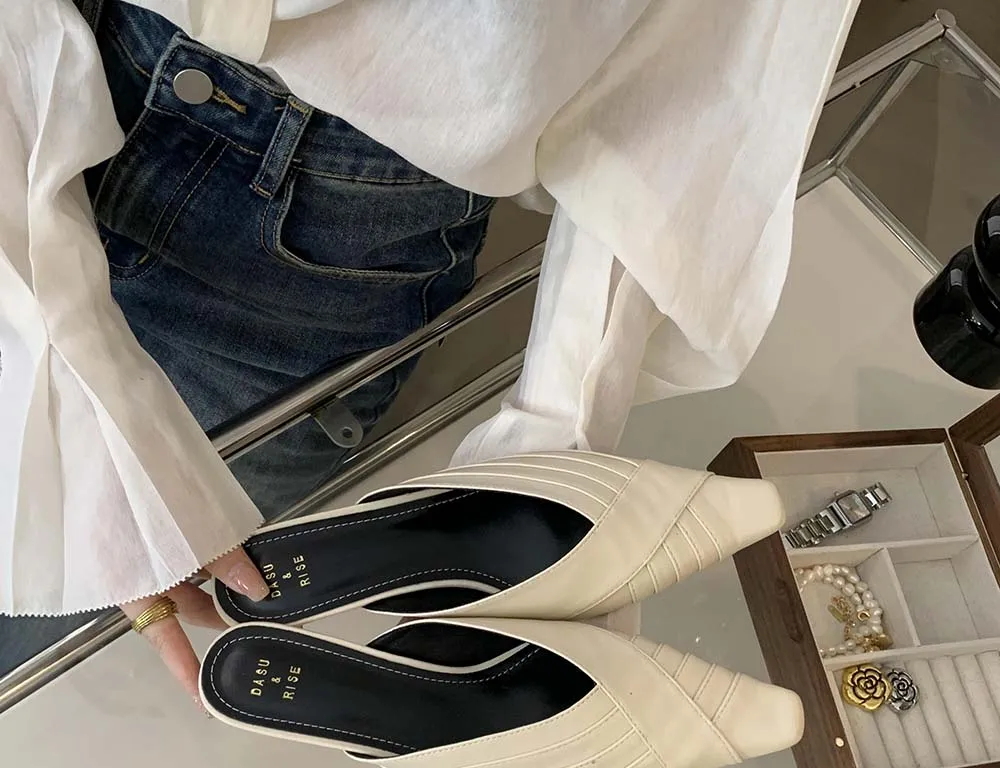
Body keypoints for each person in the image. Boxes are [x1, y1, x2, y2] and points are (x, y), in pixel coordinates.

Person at [0, 0, 858, 692]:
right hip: (58, 74)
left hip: (334, 227)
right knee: (73, 542)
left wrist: (552, 450)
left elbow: (700, 71)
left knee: (68, 605)